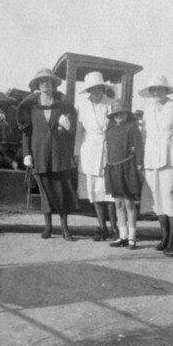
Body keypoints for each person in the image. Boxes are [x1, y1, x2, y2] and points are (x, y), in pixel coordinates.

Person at [17, 67, 80, 240]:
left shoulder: (63, 105)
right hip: (39, 154)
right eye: (42, 81)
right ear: (38, 85)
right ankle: (48, 227)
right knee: (46, 193)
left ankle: (65, 228)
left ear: (53, 84)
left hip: (60, 155)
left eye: (49, 81)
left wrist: (67, 126)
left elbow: (71, 131)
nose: (46, 84)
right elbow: (26, 132)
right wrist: (27, 153)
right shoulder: (31, 107)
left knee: (62, 192)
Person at [138, 74, 173, 254]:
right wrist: (142, 162)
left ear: (166, 90)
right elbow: (144, 137)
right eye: (153, 89)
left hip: (170, 159)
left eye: (159, 89)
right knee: (157, 200)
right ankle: (165, 235)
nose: (156, 92)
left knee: (171, 198)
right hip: (151, 160)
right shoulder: (149, 111)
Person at [75, 71, 119, 241]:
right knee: (94, 192)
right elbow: (79, 131)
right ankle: (102, 227)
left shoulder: (111, 103)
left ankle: (115, 227)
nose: (96, 90)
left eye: (98, 87)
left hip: (108, 149)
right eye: (92, 88)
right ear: (88, 90)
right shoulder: (83, 105)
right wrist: (76, 153)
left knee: (109, 193)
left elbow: (116, 128)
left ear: (103, 87)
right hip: (89, 150)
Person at [104, 101, 145, 250]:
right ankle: (123, 236)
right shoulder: (110, 129)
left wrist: (139, 164)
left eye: (121, 113)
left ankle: (132, 237)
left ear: (126, 114)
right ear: (113, 116)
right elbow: (107, 149)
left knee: (129, 203)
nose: (119, 116)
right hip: (113, 168)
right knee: (118, 203)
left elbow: (139, 147)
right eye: (116, 114)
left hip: (128, 168)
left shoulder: (132, 128)